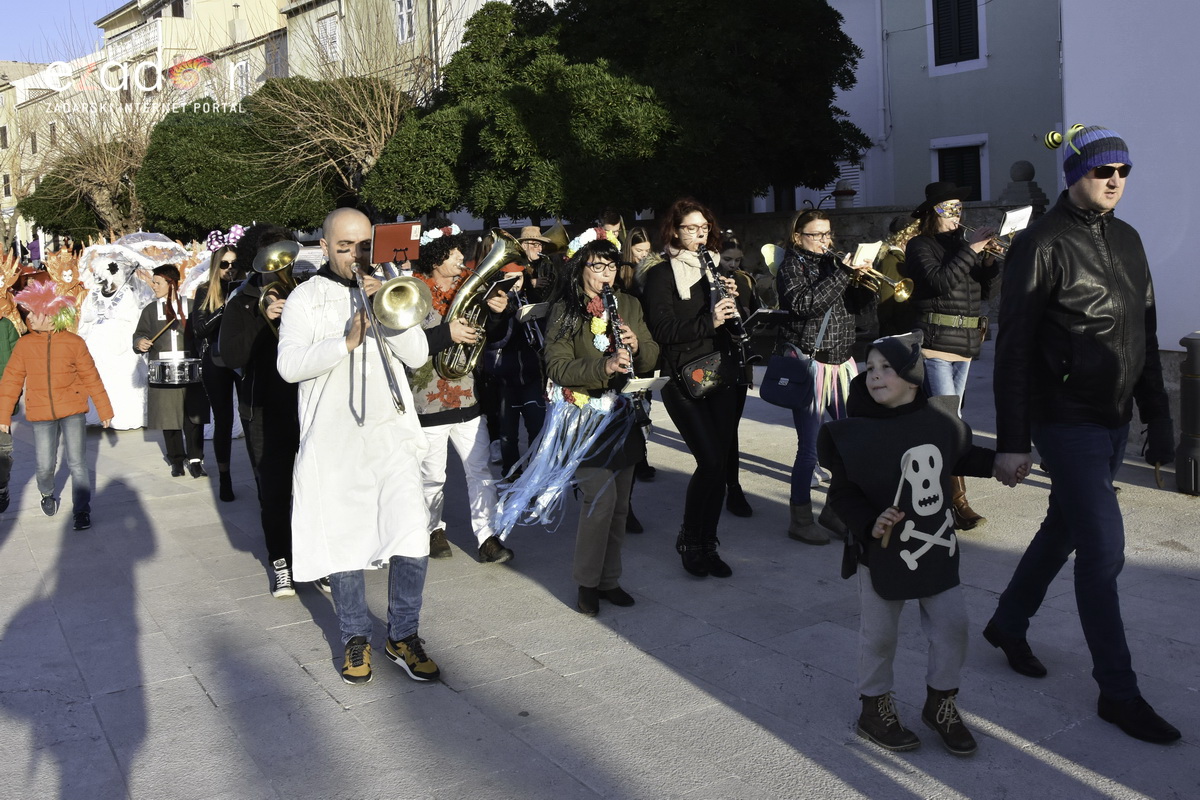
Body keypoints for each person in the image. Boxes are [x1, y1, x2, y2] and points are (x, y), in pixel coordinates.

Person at [985, 126, 1180, 744]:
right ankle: (1118, 693)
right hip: (1065, 418)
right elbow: (1013, 350)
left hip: (1114, 415)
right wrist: (1013, 440)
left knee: (1064, 527)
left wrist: (1160, 417)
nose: (1115, 179)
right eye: (1102, 170)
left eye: (1124, 169)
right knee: (1103, 550)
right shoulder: (1041, 244)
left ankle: (1009, 623)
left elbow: (1144, 334)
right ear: (1074, 174)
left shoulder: (1128, 239)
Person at [277, 208, 440, 686]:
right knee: (344, 542)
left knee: (411, 534)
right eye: (344, 246)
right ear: (324, 247)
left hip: (389, 436)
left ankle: (403, 635)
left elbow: (419, 356)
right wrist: (346, 340)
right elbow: (288, 366)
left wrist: (387, 312)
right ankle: (355, 637)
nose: (355, 255)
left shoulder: (388, 287)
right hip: (335, 442)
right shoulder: (305, 298)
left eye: (363, 246)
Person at [818, 331, 995, 755]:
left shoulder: (939, 423)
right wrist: (870, 521)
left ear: (913, 379)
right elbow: (842, 494)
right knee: (879, 636)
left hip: (935, 549)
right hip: (879, 553)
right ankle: (874, 707)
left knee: (953, 627)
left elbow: (965, 455)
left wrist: (1006, 460)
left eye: (887, 368)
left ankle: (941, 704)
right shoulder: (853, 431)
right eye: (870, 368)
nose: (874, 376)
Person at [541, 238, 659, 614]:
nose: (605, 275)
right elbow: (556, 367)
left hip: (621, 415)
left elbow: (654, 353)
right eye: (597, 267)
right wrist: (603, 367)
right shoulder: (564, 309)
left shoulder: (629, 304)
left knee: (621, 505)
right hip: (582, 417)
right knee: (600, 500)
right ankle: (587, 583)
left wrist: (637, 346)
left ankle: (610, 580)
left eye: (610, 267)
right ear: (580, 269)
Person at [641, 198, 742, 578]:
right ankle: (689, 538)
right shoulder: (660, 274)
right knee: (710, 461)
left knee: (721, 466)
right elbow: (663, 331)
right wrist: (710, 320)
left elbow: (728, 325)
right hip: (682, 375)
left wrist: (732, 302)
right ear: (674, 230)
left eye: (704, 228)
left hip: (718, 370)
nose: (699, 235)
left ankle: (707, 543)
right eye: (691, 228)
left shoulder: (712, 266)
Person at [411, 223, 513, 563]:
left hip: (468, 397)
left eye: (460, 251)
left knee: (479, 470)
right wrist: (447, 333)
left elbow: (490, 335)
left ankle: (487, 536)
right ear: (434, 258)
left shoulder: (470, 289)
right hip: (427, 402)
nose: (460, 258)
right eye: (452, 253)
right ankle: (432, 529)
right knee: (432, 476)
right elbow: (405, 345)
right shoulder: (411, 292)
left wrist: (499, 313)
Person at [906, 182, 1001, 531]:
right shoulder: (919, 246)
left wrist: (988, 258)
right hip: (934, 344)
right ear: (933, 212)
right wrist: (972, 250)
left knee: (949, 422)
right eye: (949, 209)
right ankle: (956, 502)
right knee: (949, 424)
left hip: (964, 345)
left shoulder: (964, 247)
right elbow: (940, 281)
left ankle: (933, 495)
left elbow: (983, 289)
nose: (956, 215)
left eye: (959, 208)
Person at [776, 209, 874, 545]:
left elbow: (859, 311)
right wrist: (843, 275)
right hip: (812, 364)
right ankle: (799, 518)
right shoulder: (791, 265)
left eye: (827, 234)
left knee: (852, 443)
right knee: (810, 449)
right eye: (816, 235)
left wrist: (864, 283)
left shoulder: (835, 264)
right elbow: (805, 304)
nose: (824, 241)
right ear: (797, 236)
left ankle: (834, 511)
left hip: (842, 363)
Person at [219, 224, 304, 597]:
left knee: (308, 487)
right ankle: (281, 562)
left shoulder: (304, 291)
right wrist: (263, 319)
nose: (277, 265)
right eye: (269, 255)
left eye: (282, 254)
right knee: (272, 491)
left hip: (304, 404)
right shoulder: (241, 300)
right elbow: (231, 355)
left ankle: (311, 560)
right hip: (262, 409)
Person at [0, 282, 113, 530]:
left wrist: (104, 410)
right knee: (44, 464)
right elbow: (11, 380)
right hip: (41, 413)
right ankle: (46, 492)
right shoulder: (24, 345)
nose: (28, 316)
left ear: (51, 317)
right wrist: (4, 415)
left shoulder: (74, 343)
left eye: (33, 312)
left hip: (72, 409)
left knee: (77, 463)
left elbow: (91, 377)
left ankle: (82, 511)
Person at [133, 265, 209, 478]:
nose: (153, 285)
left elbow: (204, 332)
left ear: (171, 284)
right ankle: (176, 459)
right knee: (169, 418)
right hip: (163, 371)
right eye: (153, 281)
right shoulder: (150, 310)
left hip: (191, 370)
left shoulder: (193, 307)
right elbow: (139, 334)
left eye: (157, 282)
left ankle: (195, 460)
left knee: (193, 418)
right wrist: (140, 342)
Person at [480, 262, 546, 479]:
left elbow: (542, 337)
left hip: (530, 375)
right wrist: (504, 316)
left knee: (537, 428)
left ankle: (537, 475)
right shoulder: (494, 305)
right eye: (511, 278)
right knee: (508, 434)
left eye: (519, 277)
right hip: (504, 378)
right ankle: (511, 475)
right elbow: (494, 339)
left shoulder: (530, 297)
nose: (516, 283)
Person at [191, 243, 243, 502]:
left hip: (243, 359)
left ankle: (258, 473)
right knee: (223, 420)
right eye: (224, 264)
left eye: (234, 264)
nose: (229, 269)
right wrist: (224, 308)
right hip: (216, 359)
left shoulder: (245, 287)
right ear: (215, 266)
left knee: (249, 416)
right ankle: (225, 477)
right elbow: (199, 329)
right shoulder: (205, 292)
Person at [717, 240, 758, 518]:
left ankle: (733, 487)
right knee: (720, 431)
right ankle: (721, 483)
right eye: (728, 259)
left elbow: (753, 312)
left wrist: (746, 316)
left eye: (737, 260)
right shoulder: (706, 279)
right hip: (715, 362)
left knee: (732, 429)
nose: (733, 265)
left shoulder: (744, 280)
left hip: (741, 361)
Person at [874, 216, 920, 338]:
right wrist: (890, 332)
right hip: (898, 331)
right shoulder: (891, 260)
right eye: (916, 236)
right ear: (904, 238)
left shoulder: (904, 258)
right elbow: (886, 300)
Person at [0, 314, 17, 513]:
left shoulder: (5, 325)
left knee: (2, 452)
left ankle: (2, 486)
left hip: (3, 399)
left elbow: (18, 360)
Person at [518, 225, 557, 303]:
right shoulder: (517, 263)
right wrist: (531, 283)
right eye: (536, 245)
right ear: (524, 246)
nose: (540, 249)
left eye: (540, 245)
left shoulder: (542, 262)